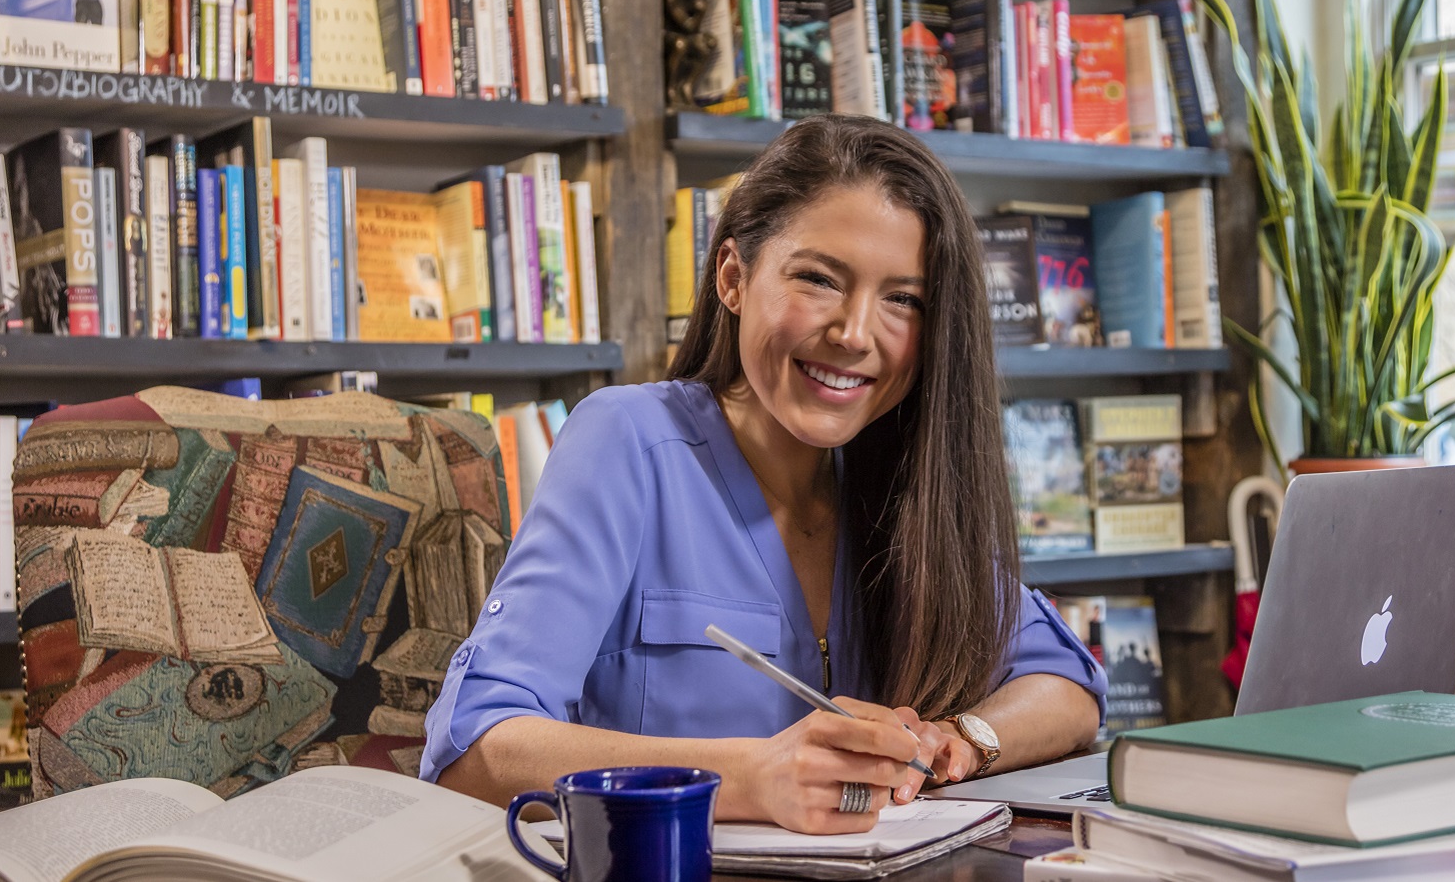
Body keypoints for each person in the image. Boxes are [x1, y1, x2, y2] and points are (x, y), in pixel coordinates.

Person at [421, 114, 1106, 834]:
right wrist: (749, 777)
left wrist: (963, 738)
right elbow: (474, 750)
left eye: (903, 299)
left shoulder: (904, 489)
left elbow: (1069, 686)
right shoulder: (626, 440)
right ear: (733, 277)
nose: (854, 333)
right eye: (817, 279)